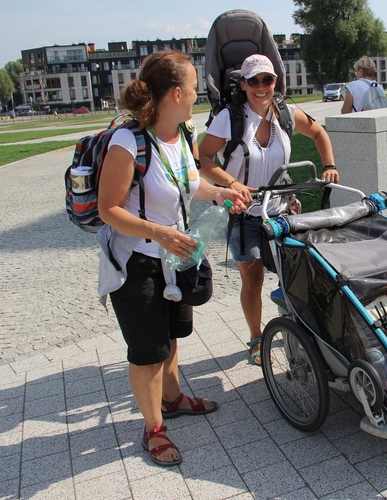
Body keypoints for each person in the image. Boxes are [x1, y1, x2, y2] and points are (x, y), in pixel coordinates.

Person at [96, 50, 247, 467]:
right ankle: (153, 429)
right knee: (147, 349)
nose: (199, 94)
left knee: (173, 333)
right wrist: (159, 232)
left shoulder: (182, 134)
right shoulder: (128, 142)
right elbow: (109, 208)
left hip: (176, 257)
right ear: (176, 92)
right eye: (195, 87)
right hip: (137, 261)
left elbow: (187, 183)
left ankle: (173, 397)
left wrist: (218, 192)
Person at [199, 54, 340, 366]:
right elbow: (204, 159)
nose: (261, 87)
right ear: (243, 84)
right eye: (254, 81)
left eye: (267, 80)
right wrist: (231, 182)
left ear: (275, 82)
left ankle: (295, 329)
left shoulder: (286, 112)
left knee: (293, 275)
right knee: (252, 281)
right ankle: (256, 337)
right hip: (245, 214)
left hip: (281, 210)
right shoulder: (230, 118)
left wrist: (328, 165)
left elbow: (319, 132)